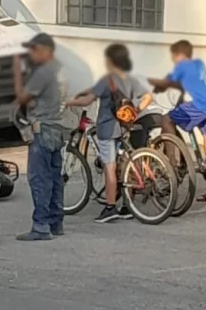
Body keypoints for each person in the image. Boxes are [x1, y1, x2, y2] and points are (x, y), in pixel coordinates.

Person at [66, 44, 153, 223]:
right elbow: (148, 96)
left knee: (110, 167)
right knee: (123, 165)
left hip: (107, 129)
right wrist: (134, 112)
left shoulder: (107, 79)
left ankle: (110, 207)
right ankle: (127, 206)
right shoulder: (129, 79)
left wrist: (70, 102)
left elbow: (88, 100)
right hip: (124, 127)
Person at [149, 39, 206, 202]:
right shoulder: (198, 64)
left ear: (178, 55)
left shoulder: (182, 66)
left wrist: (153, 85)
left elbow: (166, 82)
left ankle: (173, 165)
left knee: (167, 119)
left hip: (203, 106)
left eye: (173, 56)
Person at [12, 33, 67, 241]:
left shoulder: (44, 72)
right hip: (58, 127)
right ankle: (56, 221)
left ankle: (41, 225)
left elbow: (22, 97)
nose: (31, 54)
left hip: (42, 129)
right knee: (54, 178)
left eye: (34, 50)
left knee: (39, 179)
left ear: (46, 50)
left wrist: (17, 73)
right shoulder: (60, 70)